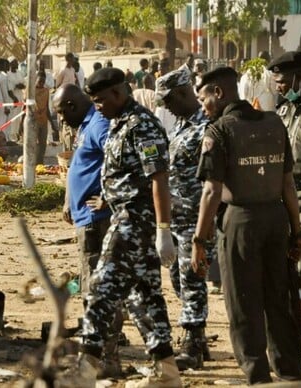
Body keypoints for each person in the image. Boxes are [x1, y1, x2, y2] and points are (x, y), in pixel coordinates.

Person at [192, 66, 301, 384]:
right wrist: (296, 232)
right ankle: (290, 368)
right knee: (278, 296)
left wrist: (199, 241)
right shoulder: (275, 122)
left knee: (243, 300)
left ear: (218, 93)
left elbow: (212, 191)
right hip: (276, 219)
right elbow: (288, 185)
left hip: (240, 221)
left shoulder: (218, 131)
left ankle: (256, 371)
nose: (203, 107)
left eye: (204, 99)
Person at [79, 68, 181, 387]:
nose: (97, 107)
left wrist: (163, 229)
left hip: (135, 219)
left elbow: (159, 179)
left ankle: (86, 365)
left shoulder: (141, 125)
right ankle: (166, 370)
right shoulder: (120, 123)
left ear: (118, 94)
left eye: (100, 101)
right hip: (127, 214)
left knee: (100, 286)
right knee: (145, 294)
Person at [54, 83, 125, 376]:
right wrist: (70, 198)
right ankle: (99, 354)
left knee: (98, 289)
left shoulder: (98, 124)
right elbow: (83, 166)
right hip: (85, 216)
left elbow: (119, 160)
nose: (60, 120)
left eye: (60, 113)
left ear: (71, 105)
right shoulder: (86, 125)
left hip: (98, 221)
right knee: (89, 286)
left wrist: (107, 197)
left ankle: (106, 359)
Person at [155, 66, 211, 370]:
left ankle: (192, 342)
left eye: (169, 101)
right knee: (179, 280)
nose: (167, 108)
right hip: (177, 219)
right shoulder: (181, 126)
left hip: (196, 219)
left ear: (180, 93)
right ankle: (198, 335)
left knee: (192, 280)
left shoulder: (207, 127)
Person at [269, 51, 301, 368]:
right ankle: (296, 349)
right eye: (276, 83)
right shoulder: (285, 107)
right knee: (291, 280)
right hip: (286, 203)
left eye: (284, 82)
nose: (279, 87)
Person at [33, 72, 51, 164]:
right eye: (40, 81)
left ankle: (40, 162)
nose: (41, 84)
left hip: (44, 120)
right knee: (34, 143)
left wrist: (52, 123)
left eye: (43, 82)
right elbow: (25, 107)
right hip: (34, 120)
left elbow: (47, 107)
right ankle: (34, 162)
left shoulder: (46, 91)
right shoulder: (31, 91)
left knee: (42, 143)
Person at [7, 57, 25, 140]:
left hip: (20, 97)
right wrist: (16, 86)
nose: (17, 64)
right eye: (15, 62)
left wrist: (21, 86)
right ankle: (11, 136)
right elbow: (9, 88)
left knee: (18, 117)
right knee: (12, 117)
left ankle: (16, 134)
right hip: (12, 99)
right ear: (10, 64)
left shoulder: (20, 73)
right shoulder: (8, 74)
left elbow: (24, 83)